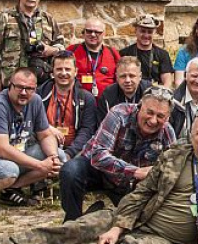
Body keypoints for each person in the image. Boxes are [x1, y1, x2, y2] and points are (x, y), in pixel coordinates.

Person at [0, 114, 198, 244]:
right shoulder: (175, 156)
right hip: (136, 217)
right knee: (75, 229)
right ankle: (4, 242)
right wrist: (119, 225)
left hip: (161, 239)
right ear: (192, 135)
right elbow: (141, 194)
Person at [60, 87, 178, 222]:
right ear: (139, 107)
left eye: (160, 116)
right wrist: (135, 171)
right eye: (149, 112)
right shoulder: (119, 113)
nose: (153, 120)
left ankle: (100, 215)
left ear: (167, 117)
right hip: (98, 171)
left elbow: (172, 168)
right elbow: (98, 155)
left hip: (128, 185)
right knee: (70, 171)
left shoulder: (167, 132)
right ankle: (72, 221)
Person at [0, 68, 68, 214]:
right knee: (9, 171)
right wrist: (40, 165)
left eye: (29, 89)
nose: (24, 92)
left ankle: (9, 189)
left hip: (15, 152)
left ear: (35, 88)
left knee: (60, 158)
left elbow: (45, 135)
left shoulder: (36, 101)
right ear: (10, 86)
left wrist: (53, 157)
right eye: (19, 87)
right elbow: (1, 148)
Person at [0, 0, 64, 89]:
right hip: (10, 82)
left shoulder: (48, 19)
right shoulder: (5, 18)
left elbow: (61, 47)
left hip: (40, 83)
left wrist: (50, 50)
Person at [37, 52, 100, 160]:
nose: (63, 73)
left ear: (75, 72)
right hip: (43, 146)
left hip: (76, 151)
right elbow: (31, 122)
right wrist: (47, 128)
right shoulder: (38, 95)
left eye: (67, 69)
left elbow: (87, 131)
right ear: (52, 72)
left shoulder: (87, 98)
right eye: (59, 69)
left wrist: (69, 154)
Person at [69, 18, 120, 99]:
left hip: (106, 104)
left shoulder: (113, 53)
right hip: (79, 103)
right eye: (89, 31)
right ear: (83, 33)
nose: (92, 34)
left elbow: (120, 78)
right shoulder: (72, 51)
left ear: (104, 34)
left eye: (97, 32)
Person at [120, 14, 174, 89]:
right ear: (136, 31)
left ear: (154, 33)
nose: (146, 35)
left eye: (150, 32)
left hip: (154, 94)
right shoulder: (124, 53)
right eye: (142, 31)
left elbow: (167, 83)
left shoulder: (162, 54)